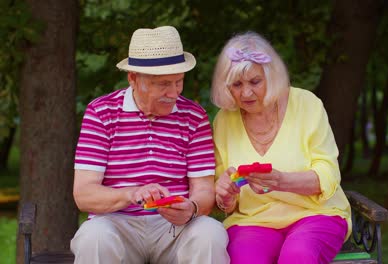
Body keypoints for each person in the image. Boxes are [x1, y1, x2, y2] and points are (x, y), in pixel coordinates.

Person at [70, 26, 229, 264]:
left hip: (175, 229)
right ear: (133, 78)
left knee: (210, 233)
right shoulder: (101, 112)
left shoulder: (194, 116)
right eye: (163, 84)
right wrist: (132, 194)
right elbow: (84, 194)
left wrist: (192, 207)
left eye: (179, 81)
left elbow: (204, 190)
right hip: (117, 224)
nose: (174, 92)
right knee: (93, 236)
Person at [211, 31, 352, 264]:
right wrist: (225, 193)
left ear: (272, 76)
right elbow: (227, 200)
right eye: (237, 84)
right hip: (253, 221)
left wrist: (281, 181)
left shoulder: (307, 104)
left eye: (255, 82)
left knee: (298, 256)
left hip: (315, 216)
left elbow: (328, 175)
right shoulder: (224, 120)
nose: (246, 93)